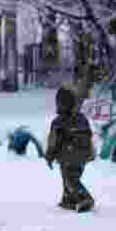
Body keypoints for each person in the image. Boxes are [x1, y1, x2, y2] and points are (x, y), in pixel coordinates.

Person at [45, 84, 96, 213]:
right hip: (84, 155)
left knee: (70, 178)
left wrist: (49, 156)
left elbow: (53, 142)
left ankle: (85, 198)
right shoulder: (81, 118)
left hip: (68, 155)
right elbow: (89, 135)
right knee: (72, 176)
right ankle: (68, 199)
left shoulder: (58, 122)